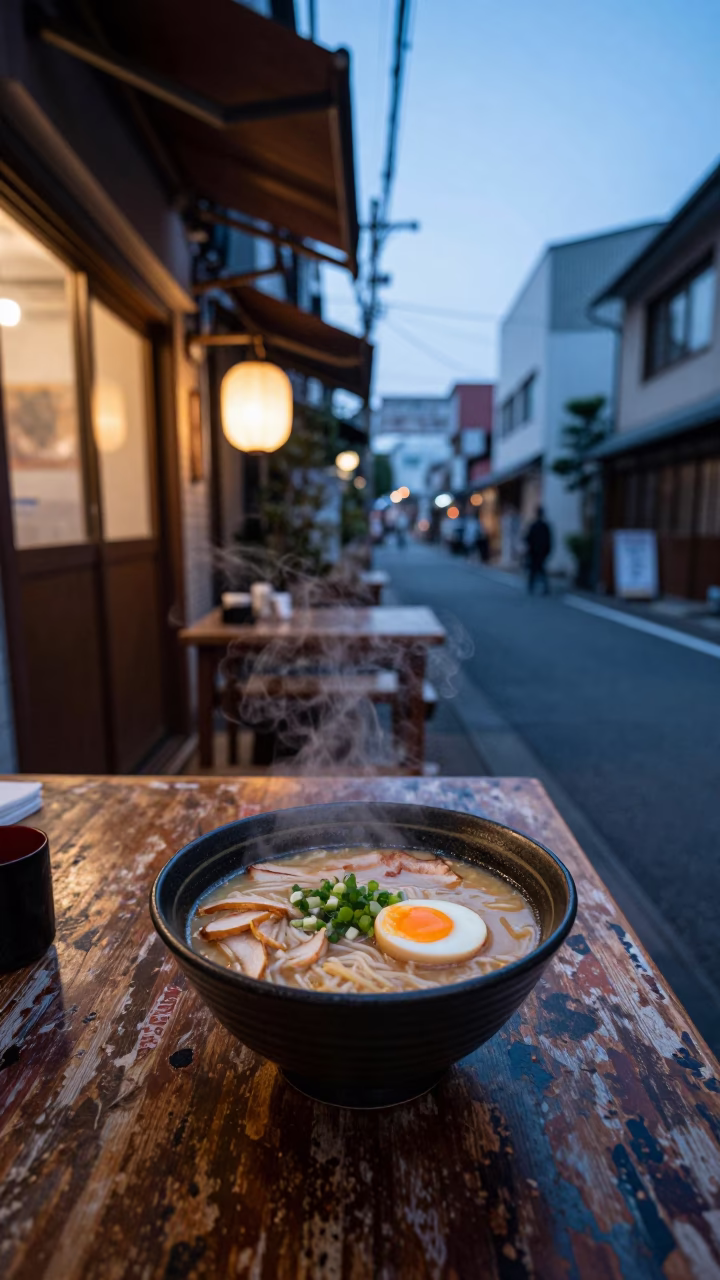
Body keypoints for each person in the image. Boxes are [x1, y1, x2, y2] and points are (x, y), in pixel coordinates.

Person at [524, 505, 553, 594]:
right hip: (541, 552)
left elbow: (528, 538)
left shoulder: (534, 525)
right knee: (540, 570)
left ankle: (532, 587)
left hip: (534, 552)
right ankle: (543, 587)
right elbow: (549, 540)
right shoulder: (545, 526)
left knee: (535, 570)